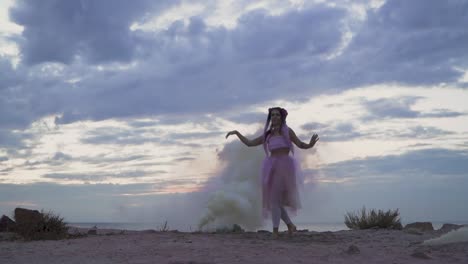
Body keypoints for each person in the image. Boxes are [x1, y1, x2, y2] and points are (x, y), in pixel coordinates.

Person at [226, 107, 319, 238]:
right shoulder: (268, 135)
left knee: (275, 200)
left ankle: (276, 231)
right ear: (270, 118)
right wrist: (237, 133)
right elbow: (250, 143)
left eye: (277, 115)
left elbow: (300, 144)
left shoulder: (287, 131)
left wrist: (310, 145)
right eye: (273, 115)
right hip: (271, 168)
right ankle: (290, 226)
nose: (275, 117)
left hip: (285, 168)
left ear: (281, 117)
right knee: (274, 200)